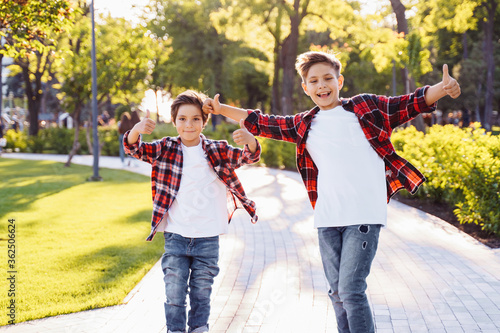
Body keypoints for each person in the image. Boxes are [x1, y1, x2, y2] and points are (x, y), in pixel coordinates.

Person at [203, 51, 461, 333]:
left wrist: (442, 89)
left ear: (340, 81)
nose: (321, 85)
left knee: (351, 290)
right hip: (327, 219)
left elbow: (408, 103)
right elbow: (262, 121)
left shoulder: (366, 108)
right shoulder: (304, 123)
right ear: (305, 88)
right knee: (336, 293)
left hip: (363, 216)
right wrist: (221, 109)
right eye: (313, 81)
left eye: (328, 78)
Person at [123, 90, 261, 333]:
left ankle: (199, 328)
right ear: (174, 121)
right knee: (174, 292)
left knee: (201, 293)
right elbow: (135, 149)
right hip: (176, 236)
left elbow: (248, 156)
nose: (189, 124)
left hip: (208, 238)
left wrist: (249, 139)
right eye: (182, 119)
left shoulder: (217, 149)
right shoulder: (166, 148)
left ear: (203, 122)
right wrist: (136, 130)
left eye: (195, 119)